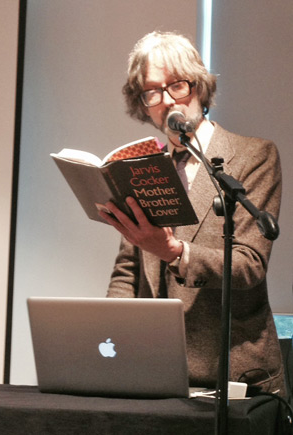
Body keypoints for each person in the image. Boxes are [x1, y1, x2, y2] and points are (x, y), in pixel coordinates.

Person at [99, 31, 285, 395]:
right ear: (144, 105)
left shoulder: (253, 156)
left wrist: (175, 252)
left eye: (177, 86)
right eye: (153, 91)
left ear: (199, 86)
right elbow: (128, 271)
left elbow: (249, 265)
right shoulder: (141, 169)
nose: (167, 100)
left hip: (233, 375)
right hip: (156, 372)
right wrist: (111, 340)